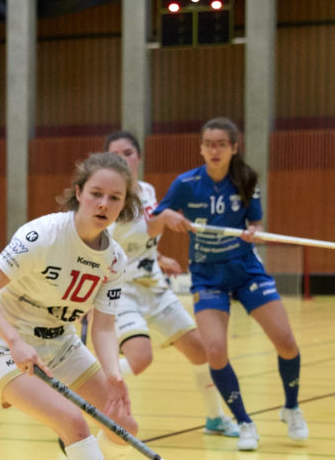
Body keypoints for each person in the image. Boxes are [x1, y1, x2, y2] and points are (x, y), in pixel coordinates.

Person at [0, 152, 175, 460]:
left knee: (123, 422)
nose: (103, 205)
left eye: (115, 199)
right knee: (72, 422)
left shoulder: (114, 259)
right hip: (3, 344)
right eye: (96, 194)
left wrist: (114, 373)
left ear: (124, 204)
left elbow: (104, 326)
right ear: (78, 193)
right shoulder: (42, 235)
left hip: (60, 342)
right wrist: (13, 339)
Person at [152, 117, 306, 452]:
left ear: (234, 147)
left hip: (247, 271)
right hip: (208, 276)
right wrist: (169, 218)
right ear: (201, 148)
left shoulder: (246, 179)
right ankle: (244, 422)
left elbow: (256, 221)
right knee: (216, 351)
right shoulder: (186, 183)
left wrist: (255, 231)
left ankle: (291, 407)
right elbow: (154, 221)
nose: (214, 150)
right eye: (208, 143)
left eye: (221, 143)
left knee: (287, 343)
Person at [102, 131, 238, 438]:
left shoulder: (148, 191)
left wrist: (158, 255)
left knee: (201, 351)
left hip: (155, 286)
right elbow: (112, 241)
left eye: (128, 153)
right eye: (115, 154)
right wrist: (163, 220)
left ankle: (215, 419)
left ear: (138, 158)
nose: (122, 159)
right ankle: (85, 390)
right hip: (122, 291)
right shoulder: (108, 198)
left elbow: (140, 239)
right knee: (140, 359)